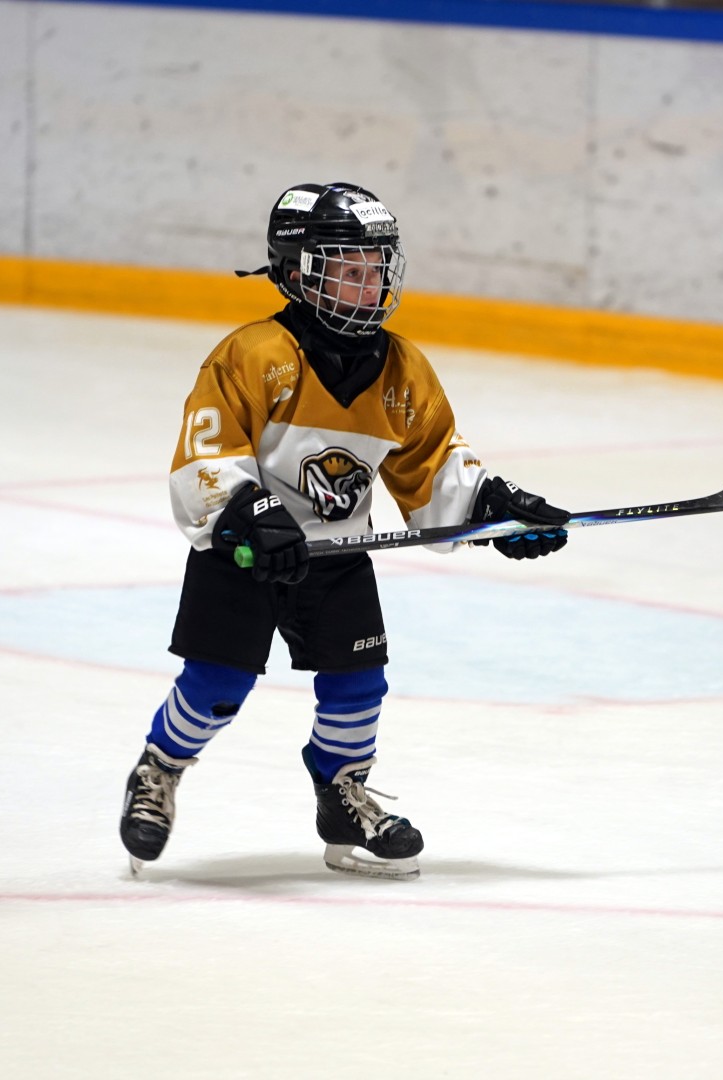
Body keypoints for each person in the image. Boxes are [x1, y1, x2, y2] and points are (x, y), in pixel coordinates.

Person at [118, 182, 570, 881]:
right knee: (217, 683)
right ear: (296, 272)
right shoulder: (252, 354)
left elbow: (434, 465)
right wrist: (248, 512)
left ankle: (342, 795)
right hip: (246, 552)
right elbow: (204, 457)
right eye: (347, 269)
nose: (369, 284)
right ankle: (160, 767)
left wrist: (494, 510)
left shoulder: (403, 369)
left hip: (339, 555)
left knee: (359, 684)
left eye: (376, 268)